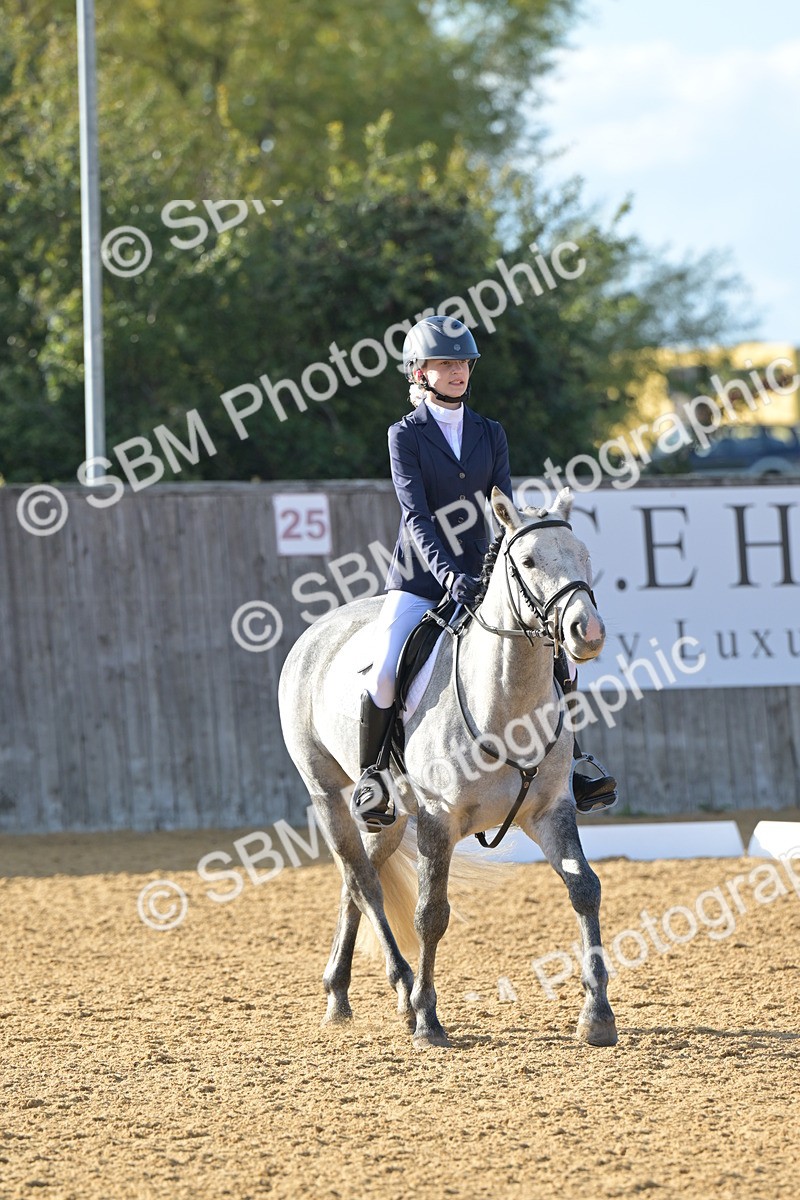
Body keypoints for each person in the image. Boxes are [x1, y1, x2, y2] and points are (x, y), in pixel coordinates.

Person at [351, 314, 616, 828]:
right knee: (385, 667)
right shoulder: (404, 436)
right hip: (421, 576)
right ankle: (373, 776)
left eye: (463, 363)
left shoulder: (490, 433)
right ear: (420, 372)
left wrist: (498, 570)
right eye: (445, 363)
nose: (457, 372)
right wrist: (450, 576)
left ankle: (574, 762)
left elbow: (504, 512)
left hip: (487, 572)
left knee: (562, 657)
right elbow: (417, 517)